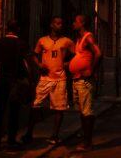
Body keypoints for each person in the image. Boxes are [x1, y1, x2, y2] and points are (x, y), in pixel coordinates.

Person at [22, 17, 73, 146]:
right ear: (51, 25)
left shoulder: (66, 41)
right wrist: (39, 65)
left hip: (60, 78)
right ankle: (29, 134)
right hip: (45, 78)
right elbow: (33, 54)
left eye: (61, 23)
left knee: (59, 108)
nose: (60, 25)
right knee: (35, 104)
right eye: (57, 23)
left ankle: (54, 135)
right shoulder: (42, 40)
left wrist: (68, 63)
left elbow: (77, 54)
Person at [0, 19, 33, 151]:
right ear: (18, 29)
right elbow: (26, 64)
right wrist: (29, 80)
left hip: (2, 80)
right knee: (14, 111)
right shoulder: (22, 44)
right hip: (16, 81)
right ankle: (11, 140)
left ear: (6, 28)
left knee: (0, 111)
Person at [68, 14, 102, 152]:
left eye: (75, 21)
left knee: (87, 112)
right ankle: (85, 139)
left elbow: (98, 53)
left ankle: (88, 142)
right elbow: (81, 56)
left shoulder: (88, 37)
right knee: (82, 111)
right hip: (77, 79)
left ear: (81, 23)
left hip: (84, 81)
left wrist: (91, 70)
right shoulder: (79, 39)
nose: (73, 23)